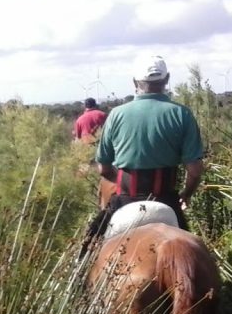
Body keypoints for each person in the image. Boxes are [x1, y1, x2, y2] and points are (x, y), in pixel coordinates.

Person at [81, 55, 206, 252]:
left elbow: (104, 168)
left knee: (87, 251)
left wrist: (121, 181)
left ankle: (79, 279)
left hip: (125, 199)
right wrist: (186, 194)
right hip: (166, 199)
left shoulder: (116, 114)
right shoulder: (182, 114)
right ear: (167, 80)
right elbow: (195, 171)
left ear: (134, 82)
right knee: (198, 257)